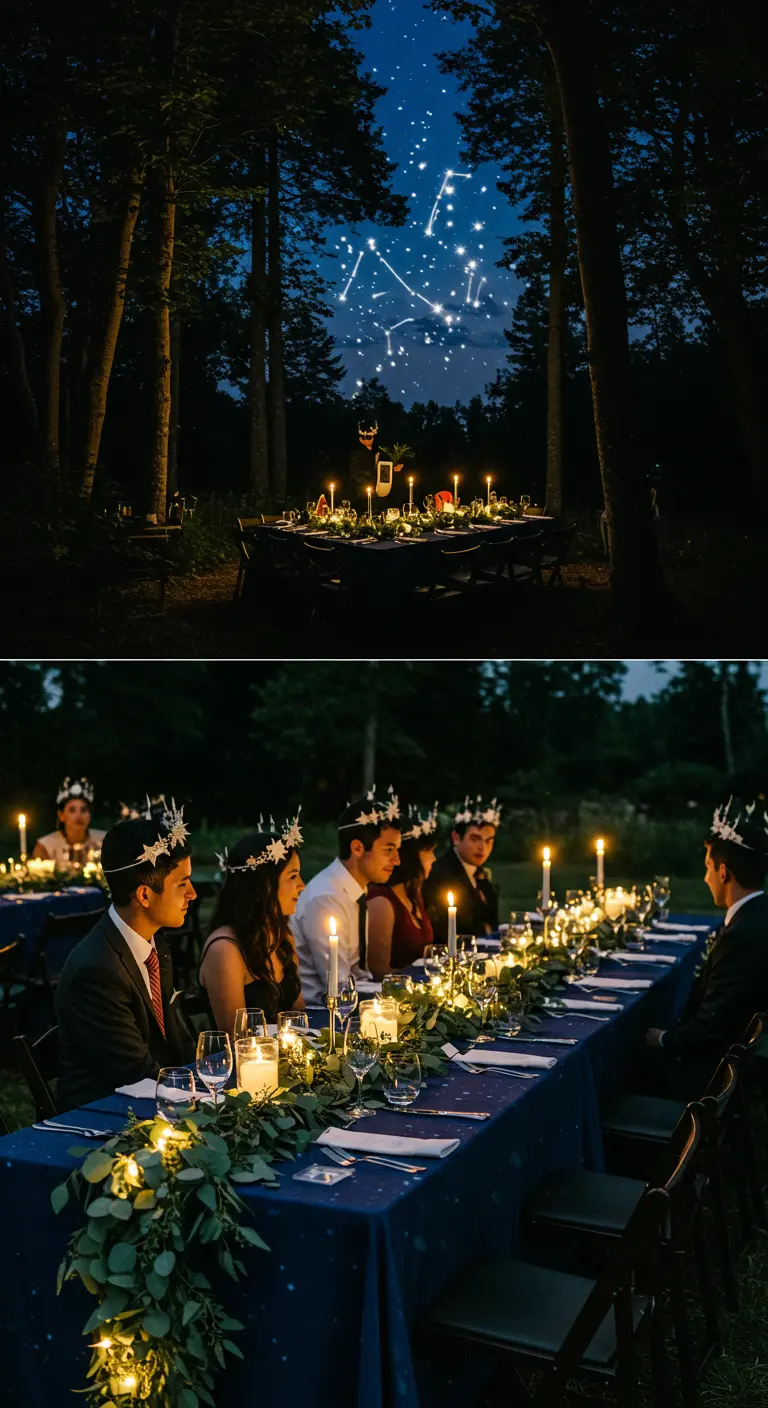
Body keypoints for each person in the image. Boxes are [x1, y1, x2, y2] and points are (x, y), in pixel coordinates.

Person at [56, 804, 196, 1110]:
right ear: (144, 895)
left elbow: (177, 1040)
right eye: (182, 884)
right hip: (107, 1122)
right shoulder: (96, 970)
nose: (193, 894)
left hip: (158, 1102)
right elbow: (134, 1074)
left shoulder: (154, 942)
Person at [644, 797, 768, 1097]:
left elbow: (713, 1028)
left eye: (708, 868)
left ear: (723, 872)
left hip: (705, 1077)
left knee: (629, 1064)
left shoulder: (742, 937)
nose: (705, 878)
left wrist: (664, 1040)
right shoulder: (758, 914)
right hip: (723, 1062)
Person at [291, 788, 401, 1006]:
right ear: (358, 848)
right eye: (388, 850)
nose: (397, 860)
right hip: (320, 1015)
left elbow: (355, 975)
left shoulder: (354, 889)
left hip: (350, 1000)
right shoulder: (326, 898)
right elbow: (339, 986)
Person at [199, 815, 305, 1031]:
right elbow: (235, 1037)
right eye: (293, 877)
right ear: (264, 885)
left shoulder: (282, 937)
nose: (302, 886)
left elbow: (298, 1018)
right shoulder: (226, 950)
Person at [367, 804, 437, 977]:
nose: (434, 858)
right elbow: (379, 969)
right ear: (411, 856)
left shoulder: (413, 895)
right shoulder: (382, 902)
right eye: (427, 852)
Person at [423, 796, 501, 940]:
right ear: (456, 838)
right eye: (475, 839)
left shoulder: (479, 874)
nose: (482, 848)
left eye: (488, 841)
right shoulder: (442, 875)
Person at [32, 777, 106, 868]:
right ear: (61, 815)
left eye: (83, 810)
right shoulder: (45, 846)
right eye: (72, 810)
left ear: (90, 815)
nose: (78, 816)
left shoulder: (106, 841)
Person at [347, 420, 403, 509]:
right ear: (361, 439)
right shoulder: (357, 453)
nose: (371, 440)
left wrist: (393, 469)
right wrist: (374, 475)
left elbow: (383, 468)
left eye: (372, 437)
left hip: (379, 492)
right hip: (363, 493)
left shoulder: (378, 451)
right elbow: (357, 473)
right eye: (367, 438)